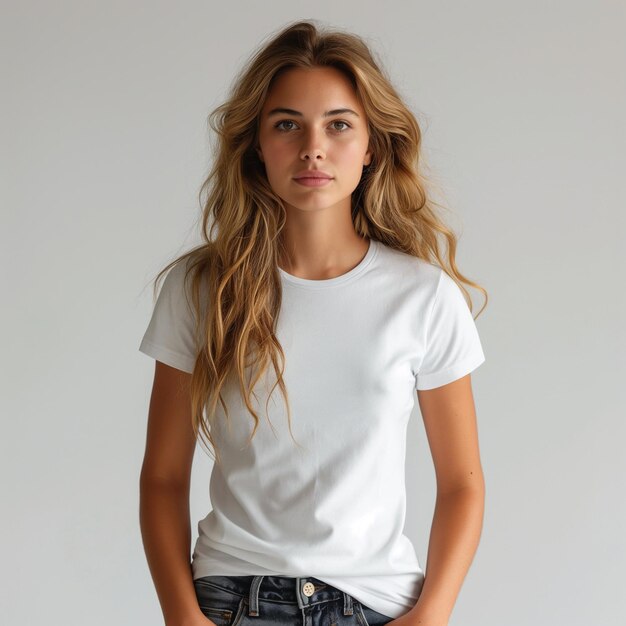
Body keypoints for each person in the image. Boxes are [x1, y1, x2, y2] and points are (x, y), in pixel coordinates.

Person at [138, 19, 488, 626]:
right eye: (286, 124)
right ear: (256, 144)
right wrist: (182, 616)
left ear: (372, 144)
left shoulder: (423, 297)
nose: (313, 147)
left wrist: (432, 615)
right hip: (231, 599)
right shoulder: (203, 290)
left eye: (339, 124)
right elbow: (163, 477)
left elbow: (462, 482)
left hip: (377, 605)